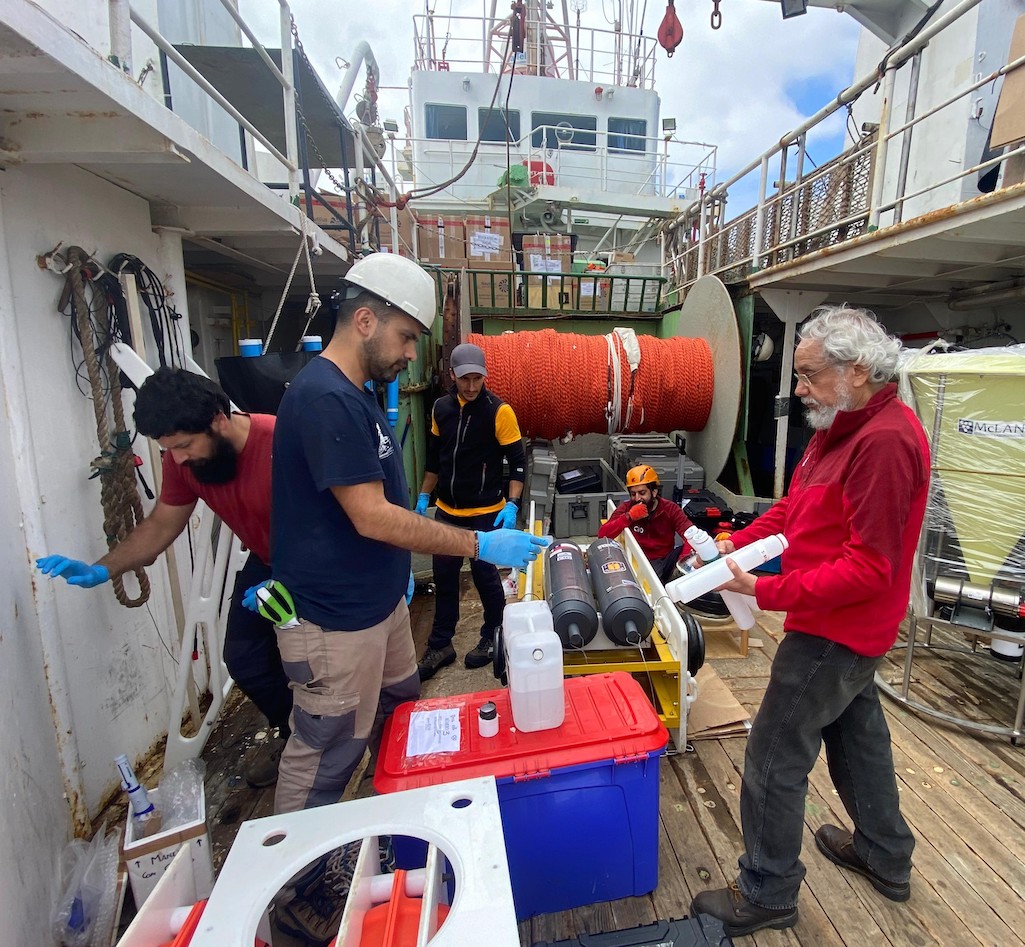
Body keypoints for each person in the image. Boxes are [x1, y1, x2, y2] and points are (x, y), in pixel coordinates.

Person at [269, 253, 548, 819]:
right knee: (327, 750)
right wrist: (476, 543)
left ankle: (393, 821)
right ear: (365, 321)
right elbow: (370, 516)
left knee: (400, 716)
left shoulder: (362, 394)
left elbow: (507, 460)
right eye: (406, 337)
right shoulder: (327, 399)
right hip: (338, 621)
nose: (411, 353)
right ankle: (294, 886)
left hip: (383, 609)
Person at [689, 306, 929, 938]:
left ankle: (767, 891)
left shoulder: (885, 443)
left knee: (773, 752)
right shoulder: (840, 424)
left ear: (856, 370)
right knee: (858, 739)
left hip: (837, 631)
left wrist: (768, 590)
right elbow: (796, 510)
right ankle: (885, 854)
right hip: (837, 623)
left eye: (809, 375)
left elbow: (871, 569)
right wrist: (732, 545)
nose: (798, 390)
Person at [35, 367, 292, 788]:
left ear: (218, 419)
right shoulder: (183, 461)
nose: (177, 459)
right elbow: (160, 524)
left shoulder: (282, 440)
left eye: (185, 445)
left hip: (316, 563)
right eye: (167, 449)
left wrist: (302, 580)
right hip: (266, 562)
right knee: (245, 659)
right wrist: (103, 567)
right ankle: (294, 732)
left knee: (317, 660)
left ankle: (333, 743)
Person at [415, 342, 526, 680]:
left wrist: (512, 504)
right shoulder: (440, 409)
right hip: (447, 513)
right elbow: (435, 460)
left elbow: (518, 464)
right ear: (453, 375)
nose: (472, 386)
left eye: (478, 379)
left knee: (486, 579)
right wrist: (424, 497)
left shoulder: (499, 411)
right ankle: (441, 645)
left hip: (485, 514)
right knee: (445, 579)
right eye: (465, 379)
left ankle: (493, 636)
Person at [597, 464, 694, 584]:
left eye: (642, 493)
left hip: (661, 559)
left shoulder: (670, 509)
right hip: (634, 557)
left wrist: (682, 563)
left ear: (654, 492)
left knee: (689, 552)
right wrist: (629, 517)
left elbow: (691, 535)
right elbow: (603, 534)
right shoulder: (627, 508)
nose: (637, 498)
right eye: (633, 494)